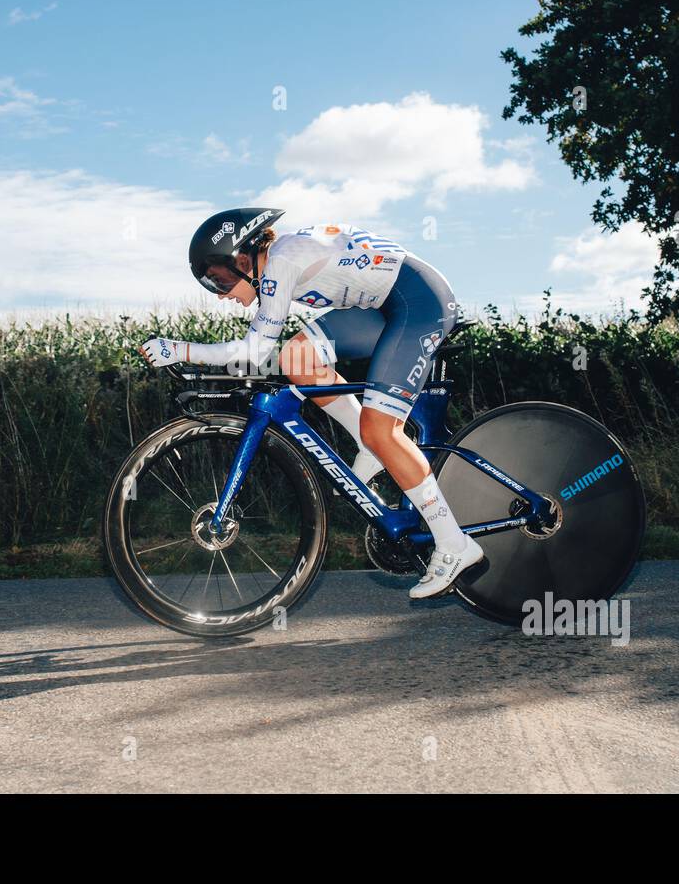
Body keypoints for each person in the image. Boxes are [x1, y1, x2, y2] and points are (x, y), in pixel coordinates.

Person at [138, 207, 482, 599]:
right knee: (297, 359)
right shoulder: (282, 259)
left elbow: (254, 351)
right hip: (381, 306)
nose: (222, 296)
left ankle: (454, 543)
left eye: (219, 281)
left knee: (381, 427)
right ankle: (368, 443)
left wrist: (179, 349)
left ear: (243, 259)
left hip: (418, 301)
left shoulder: (281, 262)